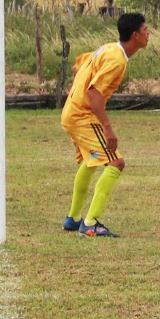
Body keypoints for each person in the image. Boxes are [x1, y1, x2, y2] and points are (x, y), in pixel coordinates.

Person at [61, 12, 151, 238]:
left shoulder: (109, 48)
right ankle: (90, 224)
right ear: (135, 35)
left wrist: (76, 91)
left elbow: (78, 65)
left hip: (72, 112)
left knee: (91, 162)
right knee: (116, 163)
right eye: (145, 30)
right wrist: (108, 128)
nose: (148, 33)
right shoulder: (116, 59)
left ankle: (73, 219)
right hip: (82, 115)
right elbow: (93, 93)